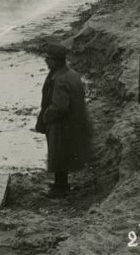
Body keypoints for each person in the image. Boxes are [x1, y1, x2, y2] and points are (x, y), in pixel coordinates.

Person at [34, 41, 95, 198]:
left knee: (58, 155)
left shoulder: (60, 79)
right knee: (62, 154)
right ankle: (61, 184)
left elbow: (59, 107)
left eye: (49, 58)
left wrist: (46, 116)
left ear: (56, 60)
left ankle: (60, 188)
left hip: (62, 124)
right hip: (72, 122)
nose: (46, 61)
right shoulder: (71, 74)